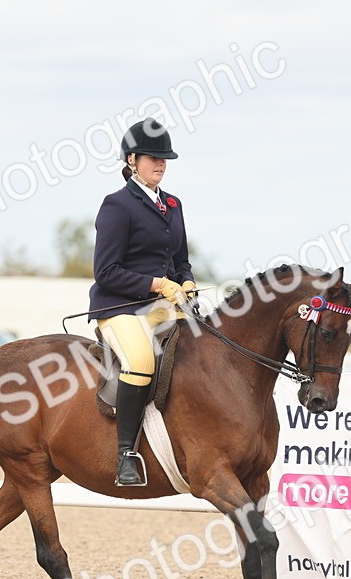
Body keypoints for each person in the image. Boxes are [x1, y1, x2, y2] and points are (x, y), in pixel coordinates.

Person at [88, 118, 196, 486]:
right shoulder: (117, 206)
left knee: (203, 345)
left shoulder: (173, 204)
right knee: (141, 360)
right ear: (132, 160)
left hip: (161, 305)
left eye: (164, 158)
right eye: (153, 157)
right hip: (119, 307)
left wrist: (187, 281)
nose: (160, 163)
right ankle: (126, 455)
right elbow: (106, 271)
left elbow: (181, 260)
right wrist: (158, 284)